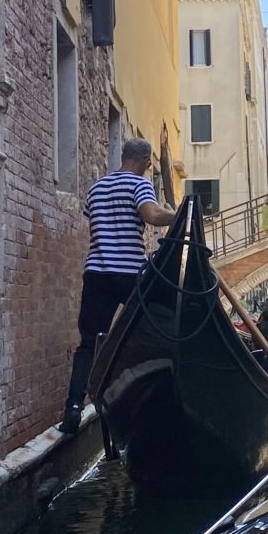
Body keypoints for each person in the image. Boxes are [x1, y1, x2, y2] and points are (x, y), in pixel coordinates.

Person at [59, 137, 175, 434]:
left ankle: (72, 410)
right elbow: (150, 215)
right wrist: (179, 215)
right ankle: (157, 402)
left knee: (88, 342)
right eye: (149, 164)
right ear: (147, 161)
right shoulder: (140, 184)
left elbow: (96, 223)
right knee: (161, 328)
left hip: (96, 273)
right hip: (129, 273)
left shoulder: (96, 188)